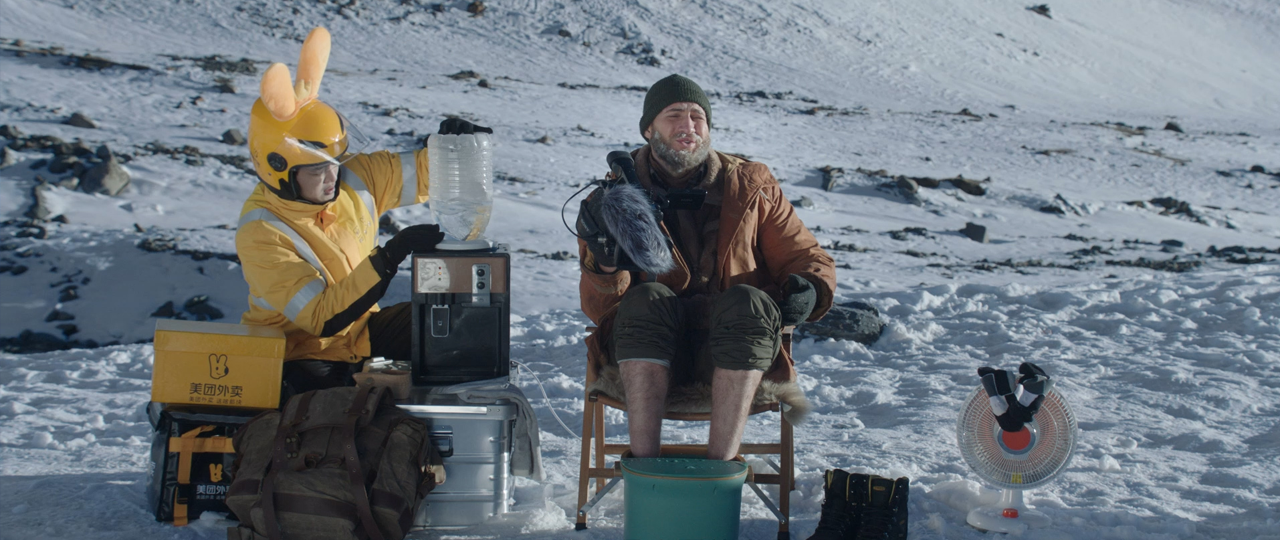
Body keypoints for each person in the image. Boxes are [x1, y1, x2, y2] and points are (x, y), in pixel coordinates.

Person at [576, 74, 837, 460]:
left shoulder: (751, 187)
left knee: (748, 301)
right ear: (648, 129)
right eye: (673, 115)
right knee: (648, 298)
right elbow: (601, 308)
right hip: (643, 350)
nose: (688, 126)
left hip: (737, 348)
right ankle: (645, 470)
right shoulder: (613, 200)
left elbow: (804, 255)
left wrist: (809, 288)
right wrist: (605, 263)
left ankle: (720, 470)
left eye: (697, 116)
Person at [235, 28, 490, 400]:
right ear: (277, 170)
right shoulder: (261, 232)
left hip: (359, 334)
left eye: (335, 162)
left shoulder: (355, 177)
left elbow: (425, 173)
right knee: (335, 411)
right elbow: (321, 318)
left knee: (457, 322)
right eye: (316, 169)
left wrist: (454, 148)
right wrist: (389, 257)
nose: (332, 176)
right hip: (299, 354)